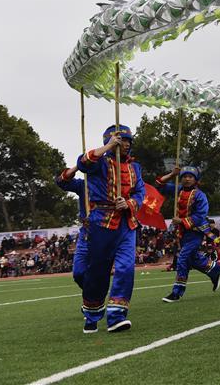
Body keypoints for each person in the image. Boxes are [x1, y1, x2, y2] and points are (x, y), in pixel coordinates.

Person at [76, 125, 145, 333]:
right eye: (120, 140)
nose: (125, 144)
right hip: (101, 222)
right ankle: (92, 314)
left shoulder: (136, 168)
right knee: (98, 271)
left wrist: (130, 203)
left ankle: (116, 316)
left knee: (125, 268)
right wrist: (106, 148)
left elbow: (140, 192)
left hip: (126, 223)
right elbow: (82, 163)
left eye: (127, 141)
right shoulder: (100, 163)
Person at [156, 166, 220, 302]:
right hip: (182, 233)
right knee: (193, 259)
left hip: (195, 231)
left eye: (190, 177)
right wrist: (171, 174)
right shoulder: (178, 190)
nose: (187, 179)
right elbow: (159, 185)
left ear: (195, 179)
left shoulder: (200, 195)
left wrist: (181, 220)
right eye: (184, 176)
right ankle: (215, 269)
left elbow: (201, 215)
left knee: (183, 258)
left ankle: (177, 292)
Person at [54, 166, 89, 288]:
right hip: (86, 234)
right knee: (78, 273)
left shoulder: (112, 184)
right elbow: (61, 182)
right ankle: (93, 296)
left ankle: (95, 299)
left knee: (101, 273)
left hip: (106, 233)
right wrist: (79, 166)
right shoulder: (83, 185)